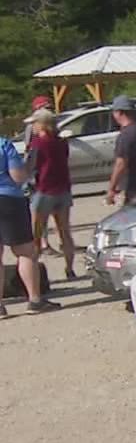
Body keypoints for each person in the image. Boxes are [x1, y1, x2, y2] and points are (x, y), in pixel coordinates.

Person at [0, 129, 56, 315]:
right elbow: (18, 177)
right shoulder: (4, 144)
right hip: (8, 200)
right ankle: (34, 299)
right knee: (25, 252)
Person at [24, 107, 75, 280]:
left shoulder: (37, 144)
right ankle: (70, 268)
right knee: (65, 232)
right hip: (63, 189)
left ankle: (35, 272)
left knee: (36, 233)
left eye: (35, 124)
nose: (33, 127)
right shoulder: (62, 142)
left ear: (42, 124)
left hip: (43, 190)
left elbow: (30, 168)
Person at [103, 95, 136, 209]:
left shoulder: (126, 135)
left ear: (119, 113)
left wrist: (111, 189)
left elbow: (121, 163)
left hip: (134, 189)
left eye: (114, 111)